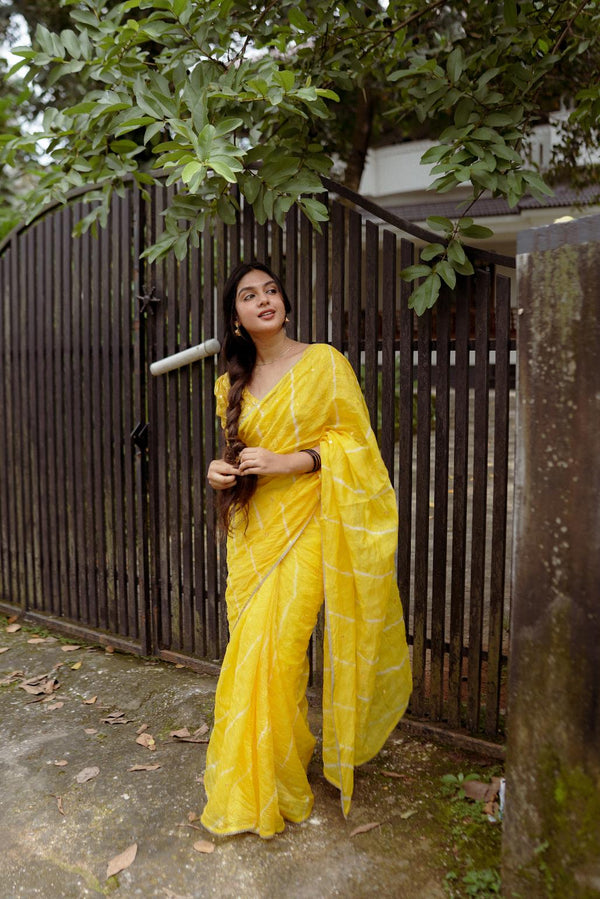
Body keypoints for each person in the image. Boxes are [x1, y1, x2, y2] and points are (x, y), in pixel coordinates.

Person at [202, 260, 412, 838]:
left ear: (285, 305)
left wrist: (290, 461)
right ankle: (271, 765)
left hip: (312, 521)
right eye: (249, 295)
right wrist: (222, 471)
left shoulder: (323, 363)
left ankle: (262, 778)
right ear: (238, 318)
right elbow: (238, 454)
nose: (264, 299)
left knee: (281, 648)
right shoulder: (230, 385)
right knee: (253, 651)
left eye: (272, 290)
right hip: (254, 531)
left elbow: (356, 444)